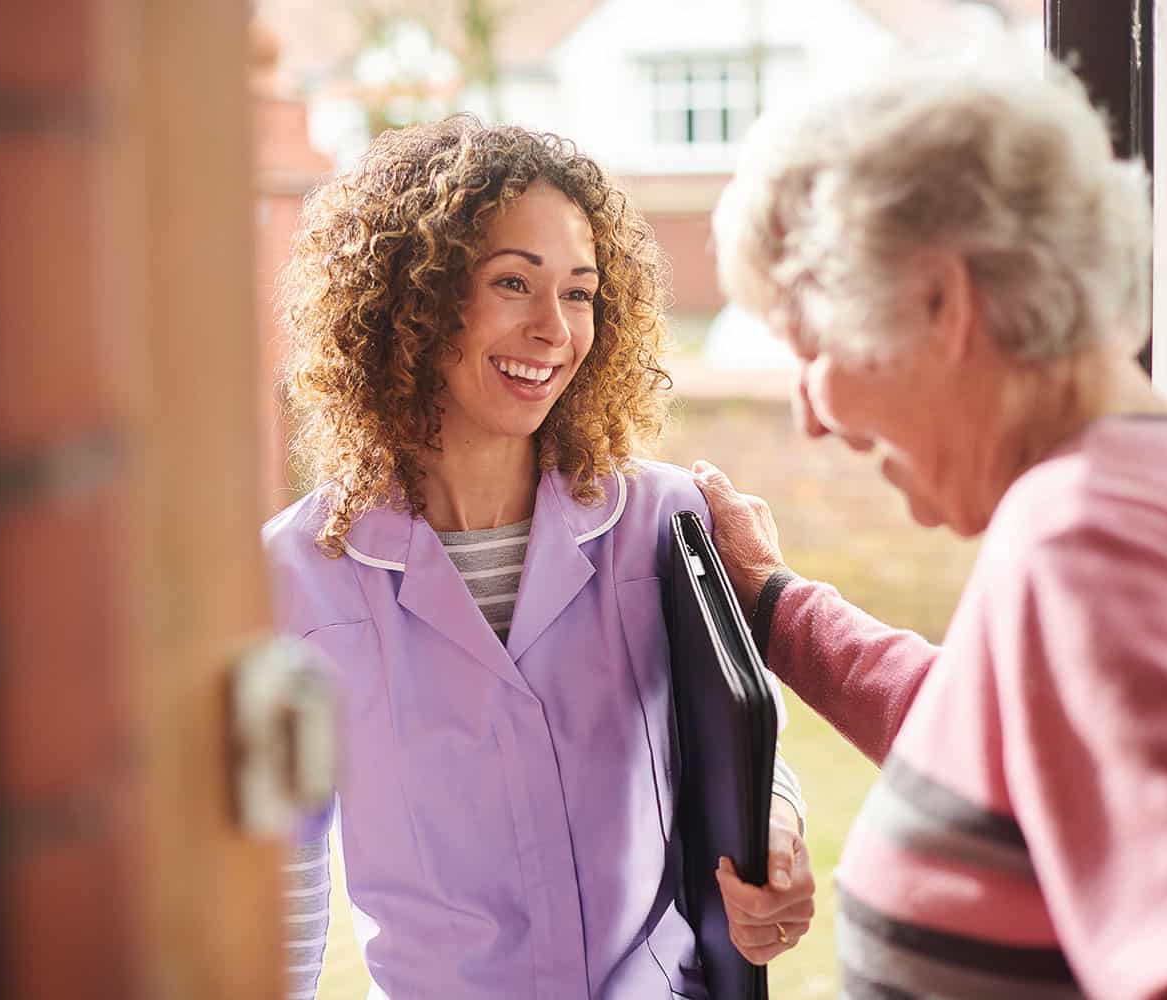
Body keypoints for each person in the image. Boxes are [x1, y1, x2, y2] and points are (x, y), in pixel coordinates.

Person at [694, 48, 1167, 1000]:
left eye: (813, 346)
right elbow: (1032, 760)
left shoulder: (1088, 543)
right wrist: (779, 607)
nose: (809, 415)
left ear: (942, 302)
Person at [263, 116, 815, 1000]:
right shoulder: (296, 574)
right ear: (417, 297)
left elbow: (743, 750)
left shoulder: (665, 522)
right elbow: (277, 878)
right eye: (512, 283)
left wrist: (777, 828)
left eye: (581, 293)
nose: (554, 329)